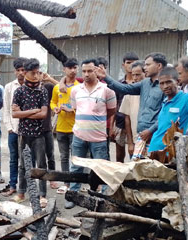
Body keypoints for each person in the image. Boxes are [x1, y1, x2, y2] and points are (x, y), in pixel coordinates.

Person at [65, 59, 117, 209]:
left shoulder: (107, 90)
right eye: (84, 71)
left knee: (102, 167)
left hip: (99, 137)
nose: (86, 74)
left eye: (90, 71)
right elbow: (75, 108)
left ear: (97, 71)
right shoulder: (76, 90)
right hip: (79, 135)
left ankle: (105, 196)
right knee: (76, 166)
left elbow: (111, 111)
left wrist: (95, 123)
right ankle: (73, 195)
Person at [97, 52, 166, 145]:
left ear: (159, 65)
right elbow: (125, 89)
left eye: (148, 65)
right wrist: (106, 77)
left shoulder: (166, 86)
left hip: (156, 136)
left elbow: (166, 115)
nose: (145, 68)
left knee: (156, 160)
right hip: (141, 135)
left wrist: (150, 131)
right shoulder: (145, 83)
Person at [12, 58, 49, 207]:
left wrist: (24, 113)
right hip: (23, 133)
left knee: (40, 164)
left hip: (38, 134)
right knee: (23, 164)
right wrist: (34, 110)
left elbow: (43, 114)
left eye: (37, 73)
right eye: (33, 73)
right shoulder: (19, 91)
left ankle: (42, 195)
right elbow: (14, 114)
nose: (36, 76)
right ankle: (21, 192)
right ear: (26, 73)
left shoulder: (43, 91)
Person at [50, 58, 79, 192]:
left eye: (75, 67)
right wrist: (55, 108)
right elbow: (53, 102)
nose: (73, 70)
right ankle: (66, 182)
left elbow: (83, 106)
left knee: (76, 157)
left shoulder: (79, 87)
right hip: (60, 128)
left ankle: (75, 182)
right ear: (64, 69)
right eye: (70, 68)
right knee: (63, 156)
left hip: (75, 128)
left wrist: (71, 109)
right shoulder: (57, 87)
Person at [0, 57, 27, 197]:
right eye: (18, 70)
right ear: (14, 71)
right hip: (13, 129)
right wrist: (9, 127)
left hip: (28, 130)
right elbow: (6, 109)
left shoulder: (32, 86)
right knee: (13, 158)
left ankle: (26, 186)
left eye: (23, 70)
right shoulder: (9, 87)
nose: (21, 73)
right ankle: (12, 185)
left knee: (27, 159)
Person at [111, 52, 139, 162]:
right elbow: (114, 106)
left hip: (135, 123)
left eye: (134, 63)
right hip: (120, 122)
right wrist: (112, 126)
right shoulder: (118, 84)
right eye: (128, 63)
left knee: (134, 154)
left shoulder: (140, 83)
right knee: (119, 155)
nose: (131, 65)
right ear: (123, 65)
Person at [119, 61, 145, 157]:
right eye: (133, 75)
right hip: (135, 140)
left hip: (151, 140)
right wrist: (130, 143)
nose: (134, 78)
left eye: (138, 75)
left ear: (145, 73)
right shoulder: (130, 92)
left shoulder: (155, 91)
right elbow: (127, 118)